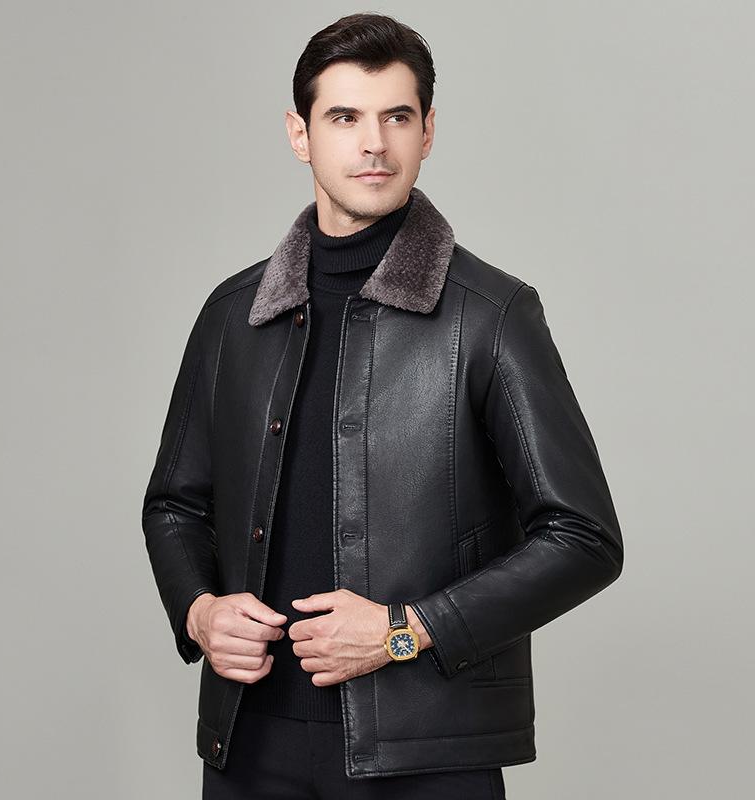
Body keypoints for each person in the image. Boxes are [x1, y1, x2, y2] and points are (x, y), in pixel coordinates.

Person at [141, 12, 624, 799]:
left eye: (397, 117)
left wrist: (405, 631)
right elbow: (173, 505)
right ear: (300, 134)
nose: (374, 143)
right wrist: (199, 612)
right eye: (345, 117)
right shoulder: (234, 314)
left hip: (425, 754)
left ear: (427, 132)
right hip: (249, 746)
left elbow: (585, 537)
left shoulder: (490, 315)